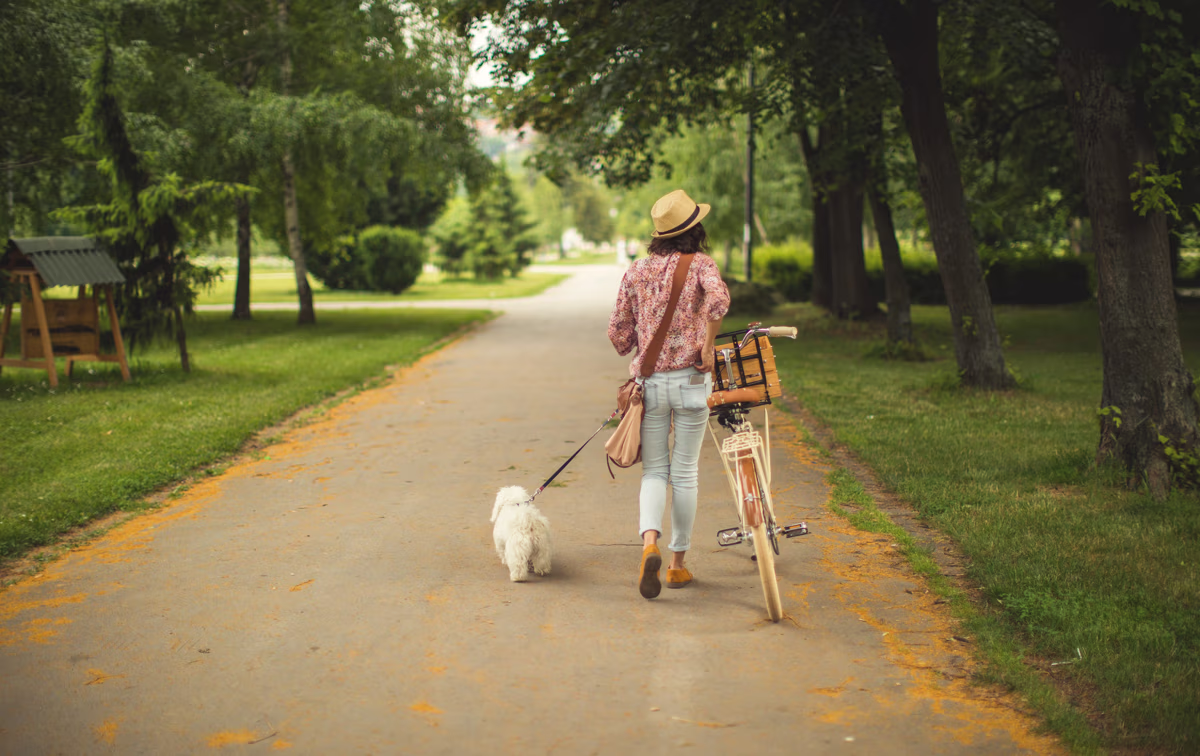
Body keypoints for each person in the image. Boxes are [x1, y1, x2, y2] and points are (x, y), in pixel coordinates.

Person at [607, 189, 731, 600]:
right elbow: (718, 301)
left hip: (653, 386)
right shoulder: (702, 266)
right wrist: (707, 346)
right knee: (686, 473)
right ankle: (677, 566)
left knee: (655, 473)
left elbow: (618, 334)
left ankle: (648, 546)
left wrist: (639, 342)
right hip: (693, 383)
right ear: (694, 229)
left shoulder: (637, 271)